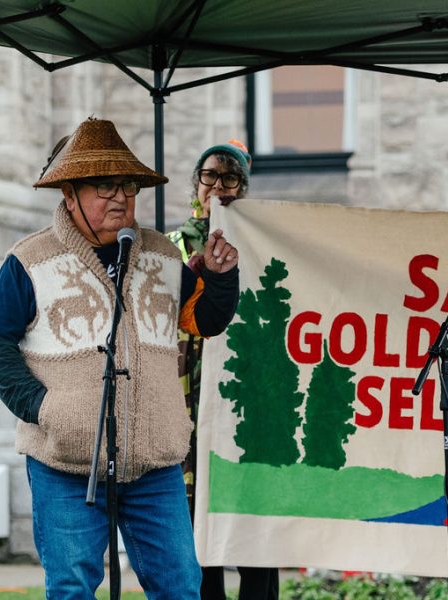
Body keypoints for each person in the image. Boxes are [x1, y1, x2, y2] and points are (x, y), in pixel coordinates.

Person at [0, 117, 239, 600]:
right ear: (69, 193)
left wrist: (221, 278)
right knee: (73, 588)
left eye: (129, 186)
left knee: (182, 587)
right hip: (63, 463)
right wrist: (44, 409)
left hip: (154, 464)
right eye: (104, 186)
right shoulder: (28, 260)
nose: (120, 197)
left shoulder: (162, 254)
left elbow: (204, 321)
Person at [168, 141, 279, 600]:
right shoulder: (169, 246)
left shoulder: (263, 243)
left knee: (254, 528)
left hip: (247, 397)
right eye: (210, 175)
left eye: (230, 177)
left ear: (243, 189)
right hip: (187, 396)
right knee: (196, 533)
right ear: (196, 184)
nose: (218, 185)